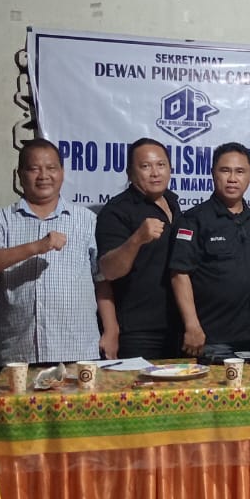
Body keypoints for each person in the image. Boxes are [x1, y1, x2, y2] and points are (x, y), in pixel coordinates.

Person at [0, 139, 110, 364]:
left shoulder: (86, 220)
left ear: (62, 173)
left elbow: (101, 279)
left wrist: (111, 330)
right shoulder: (1, 219)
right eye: (34, 169)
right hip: (20, 352)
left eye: (51, 168)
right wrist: (36, 247)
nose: (43, 176)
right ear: (20, 175)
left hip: (78, 349)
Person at [170, 142, 250, 357]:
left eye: (240, 171)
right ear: (213, 173)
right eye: (225, 170)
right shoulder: (194, 220)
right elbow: (179, 275)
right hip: (211, 339)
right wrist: (192, 325)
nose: (232, 178)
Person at [96, 138, 182, 359]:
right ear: (130, 173)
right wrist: (137, 239)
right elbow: (108, 271)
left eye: (161, 165)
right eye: (145, 166)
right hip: (137, 331)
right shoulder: (117, 211)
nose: (155, 173)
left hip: (177, 326)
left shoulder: (173, 203)